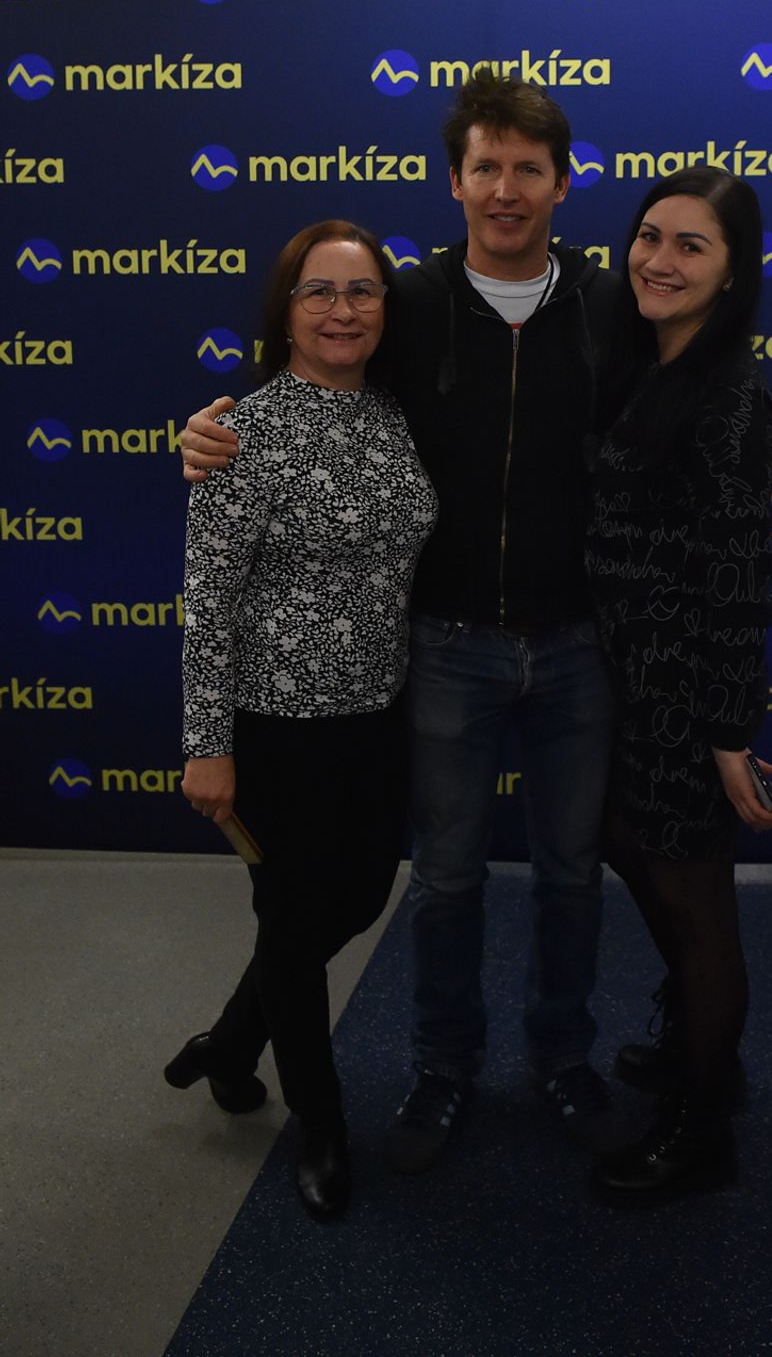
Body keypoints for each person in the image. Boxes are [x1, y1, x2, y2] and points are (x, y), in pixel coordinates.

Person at [179, 74, 629, 1173]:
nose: (506, 189)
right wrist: (201, 435)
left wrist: (759, 448)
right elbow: (295, 393)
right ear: (454, 182)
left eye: (528, 169)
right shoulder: (413, 300)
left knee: (568, 875)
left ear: (562, 184)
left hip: (570, 645)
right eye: (486, 167)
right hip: (446, 651)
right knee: (443, 881)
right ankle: (439, 1069)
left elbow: (696, 379)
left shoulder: (606, 303)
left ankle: (562, 1060)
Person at [170, 219, 437, 1220]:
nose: (342, 310)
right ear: (285, 312)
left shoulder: (398, 415)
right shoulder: (239, 434)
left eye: (361, 291)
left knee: (356, 897)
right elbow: (207, 606)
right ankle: (318, 1125)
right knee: (290, 923)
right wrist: (207, 745)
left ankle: (232, 1040)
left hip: (378, 715)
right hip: (275, 725)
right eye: (318, 291)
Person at [584, 167, 772, 1200]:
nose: (658, 260)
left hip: (681, 695)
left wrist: (725, 730)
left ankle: (700, 1131)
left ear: (731, 272)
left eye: (690, 246)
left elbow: (737, 581)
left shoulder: (726, 402)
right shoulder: (649, 365)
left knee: (697, 907)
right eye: (649, 236)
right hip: (627, 682)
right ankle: (699, 1053)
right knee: (636, 853)